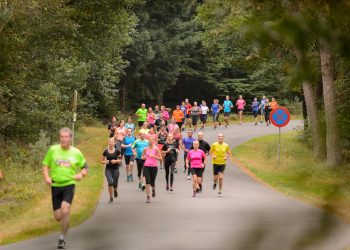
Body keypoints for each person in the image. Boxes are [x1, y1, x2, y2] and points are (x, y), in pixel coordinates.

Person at [42, 127, 88, 249]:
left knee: (65, 209)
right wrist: (47, 177)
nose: (63, 139)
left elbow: (85, 167)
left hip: (69, 184)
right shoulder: (53, 150)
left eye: (66, 137)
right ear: (59, 138)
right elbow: (45, 165)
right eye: (61, 137)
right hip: (55, 185)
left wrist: (81, 174)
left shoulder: (76, 152)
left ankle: (62, 238)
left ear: (70, 138)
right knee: (58, 217)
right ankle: (65, 217)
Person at [209, 133, 233, 197]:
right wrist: (213, 156)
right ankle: (214, 183)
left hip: (222, 163)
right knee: (215, 179)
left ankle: (220, 191)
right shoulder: (214, 144)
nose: (220, 138)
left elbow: (229, 153)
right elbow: (210, 152)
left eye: (221, 136)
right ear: (218, 138)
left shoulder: (226, 145)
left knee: (221, 178)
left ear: (223, 138)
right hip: (215, 163)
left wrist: (226, 157)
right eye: (219, 136)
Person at [101, 138, 122, 203]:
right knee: (110, 182)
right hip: (108, 169)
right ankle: (111, 197)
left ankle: (115, 189)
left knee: (115, 183)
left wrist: (116, 161)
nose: (111, 143)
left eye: (112, 142)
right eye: (110, 142)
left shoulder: (117, 151)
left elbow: (120, 160)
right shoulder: (105, 151)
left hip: (116, 169)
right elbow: (101, 160)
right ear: (108, 143)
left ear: (114, 143)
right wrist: (105, 162)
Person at [141, 136, 162, 203]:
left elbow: (160, 158)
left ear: (154, 141)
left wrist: (154, 156)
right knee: (147, 181)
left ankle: (153, 190)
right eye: (149, 139)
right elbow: (142, 157)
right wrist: (144, 157)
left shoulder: (156, 149)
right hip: (146, 166)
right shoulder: (145, 149)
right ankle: (148, 197)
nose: (150, 141)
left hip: (154, 167)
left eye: (152, 139)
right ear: (148, 141)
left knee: (152, 182)